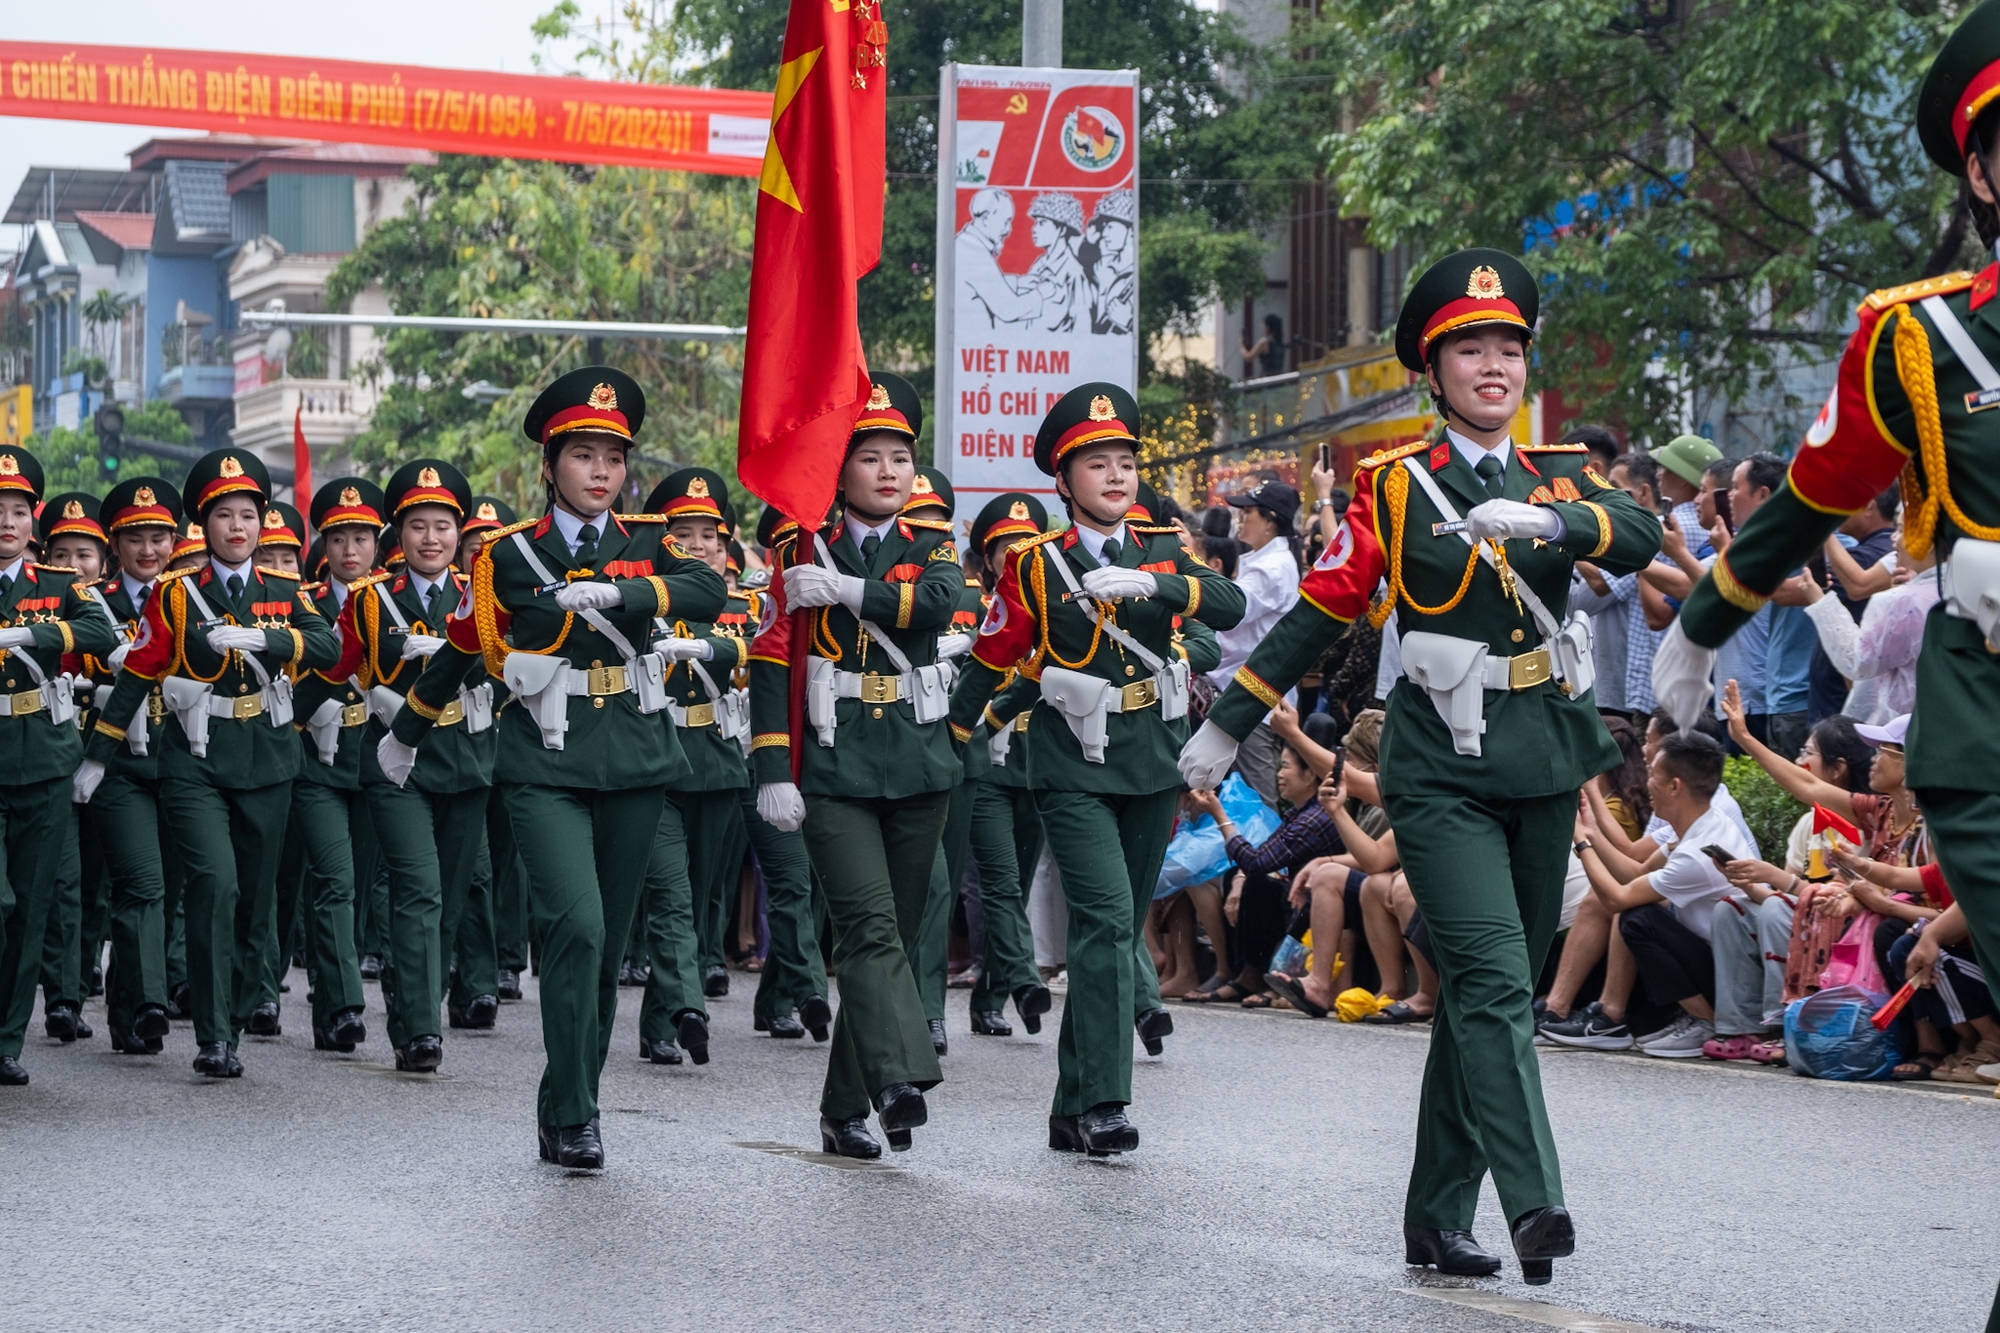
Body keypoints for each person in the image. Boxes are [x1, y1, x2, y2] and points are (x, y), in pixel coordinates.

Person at [1178, 248, 1662, 1283]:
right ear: (1431, 373)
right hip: (1438, 762)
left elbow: (1635, 531)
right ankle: (1533, 1201)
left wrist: (1552, 520)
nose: (1493, 366)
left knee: (1495, 989)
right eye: (1469, 350)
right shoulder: (1395, 489)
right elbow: (1319, 610)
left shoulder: (1560, 468)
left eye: (1508, 349)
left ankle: (1433, 1216)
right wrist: (1229, 721)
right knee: (1488, 975)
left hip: (1541, 753)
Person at [383, 367, 725, 1168]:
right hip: (545, 757)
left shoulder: (649, 544)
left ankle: (577, 1096)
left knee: (605, 952)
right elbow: (467, 645)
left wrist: (623, 597)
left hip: (637, 758)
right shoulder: (509, 557)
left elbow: (709, 588)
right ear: (550, 463)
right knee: (576, 926)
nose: (601, 471)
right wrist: (406, 729)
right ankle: (571, 1111)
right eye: (583, 454)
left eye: (613, 455)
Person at [951, 382, 1245, 1157]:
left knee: (1104, 929)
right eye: (1096, 463)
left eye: (1125, 462)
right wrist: (948, 731)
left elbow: (1228, 603)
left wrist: (1158, 583)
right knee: (1113, 923)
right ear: (1063, 479)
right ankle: (1109, 1100)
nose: (1116, 476)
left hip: (1151, 758)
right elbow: (992, 654)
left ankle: (1069, 1104)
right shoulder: (1034, 565)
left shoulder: (1158, 546)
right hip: (1070, 763)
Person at [748, 372, 962, 1161]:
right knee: (869, 928)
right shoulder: (795, 549)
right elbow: (771, 657)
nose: (887, 470)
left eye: (899, 456)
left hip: (917, 759)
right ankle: (902, 1078)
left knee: (894, 940)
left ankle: (844, 1108)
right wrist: (773, 766)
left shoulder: (931, 544)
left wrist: (846, 589)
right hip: (835, 763)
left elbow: (938, 605)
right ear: (836, 470)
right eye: (868, 455)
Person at [81, 448, 338, 1080]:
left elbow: (332, 648)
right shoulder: (174, 596)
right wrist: (99, 755)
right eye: (223, 515)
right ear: (204, 525)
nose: (238, 527)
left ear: (261, 521)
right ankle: (214, 1035)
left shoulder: (286, 590)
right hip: (194, 761)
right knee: (214, 885)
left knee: (254, 901)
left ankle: (241, 1002)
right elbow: (139, 671)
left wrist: (269, 640)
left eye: (248, 515)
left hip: (270, 761)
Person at [341, 461, 501, 1072]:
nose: (430, 539)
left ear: (459, 534)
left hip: (466, 759)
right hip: (395, 762)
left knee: (451, 900)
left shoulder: (484, 596)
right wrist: (368, 696)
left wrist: (468, 659)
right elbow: (342, 668)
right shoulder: (371, 599)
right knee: (418, 890)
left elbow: (517, 669)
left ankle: (417, 1004)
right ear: (398, 535)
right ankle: (418, 1028)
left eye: (441, 526)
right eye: (417, 527)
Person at [632, 466, 750, 1066]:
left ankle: (660, 1018)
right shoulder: (638, 597)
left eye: (712, 534)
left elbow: (756, 650)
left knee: (702, 897)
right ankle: (687, 1008)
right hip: (657, 760)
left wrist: (711, 647)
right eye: (685, 533)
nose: (700, 545)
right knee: (671, 894)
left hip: (718, 764)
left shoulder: (737, 604)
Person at [83, 478, 184, 1057]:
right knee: (140, 884)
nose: (148, 551)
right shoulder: (91, 601)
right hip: (116, 761)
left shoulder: (191, 599)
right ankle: (150, 1000)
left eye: (158, 538)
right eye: (135, 539)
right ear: (115, 544)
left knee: (162, 891)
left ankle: (127, 1012)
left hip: (181, 758)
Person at [1573, 731, 1753, 1057]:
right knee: (1639, 911)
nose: (1645, 782)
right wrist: (1592, 834)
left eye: (1654, 773)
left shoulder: (1699, 852)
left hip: (1730, 979)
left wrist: (1581, 842)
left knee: (1637, 918)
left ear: (1675, 786)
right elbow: (1637, 873)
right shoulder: (1701, 822)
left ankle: (1706, 1021)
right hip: (1717, 960)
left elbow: (1618, 898)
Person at [961, 492, 1056, 1039]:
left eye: (1026, 544)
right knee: (997, 879)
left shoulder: (1055, 605)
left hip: (1036, 757)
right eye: (1005, 547)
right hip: (986, 756)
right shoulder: (972, 608)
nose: (1016, 553)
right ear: (989, 556)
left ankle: (989, 996)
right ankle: (1023, 980)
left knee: (1016, 885)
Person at [743, 502, 832, 1046]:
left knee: (815, 886)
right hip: (763, 754)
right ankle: (810, 991)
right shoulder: (757, 598)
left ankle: (775, 995)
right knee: (792, 880)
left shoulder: (836, 580)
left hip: (825, 748)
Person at [36, 494, 111, 1045]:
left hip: (109, 755)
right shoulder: (37, 606)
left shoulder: (117, 609)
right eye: (61, 552)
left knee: (98, 879)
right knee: (61, 878)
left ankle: (80, 977)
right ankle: (62, 990)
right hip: (54, 752)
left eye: (84, 553)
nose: (73, 564)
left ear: (102, 562)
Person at [459, 495, 530, 1002]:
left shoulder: (521, 598)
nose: (480, 553)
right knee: (473, 862)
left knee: (509, 859)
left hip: (514, 738)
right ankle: (469, 963)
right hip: (466, 744)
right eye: (472, 547)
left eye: (490, 545)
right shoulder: (459, 601)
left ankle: (509, 958)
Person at [1209, 479, 1302, 805]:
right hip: (1244, 691)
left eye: (1248, 511)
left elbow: (1229, 609)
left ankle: (1268, 854)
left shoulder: (1271, 569)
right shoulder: (1264, 562)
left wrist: (1189, 567)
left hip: (1253, 699)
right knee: (1235, 796)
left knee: (1258, 798)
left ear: (1270, 520)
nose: (1240, 517)